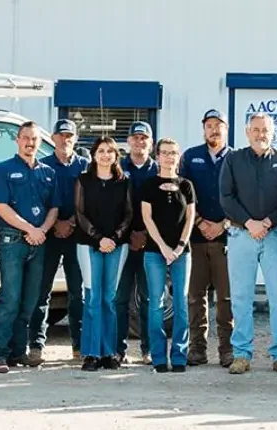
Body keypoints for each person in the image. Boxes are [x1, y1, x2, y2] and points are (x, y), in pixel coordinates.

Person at [220, 112, 277, 375]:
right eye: (255, 129)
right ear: (247, 132)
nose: (260, 134)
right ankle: (241, 354)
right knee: (241, 297)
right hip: (241, 235)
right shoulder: (233, 159)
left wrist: (268, 221)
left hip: (273, 235)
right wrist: (249, 222)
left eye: (265, 129)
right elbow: (226, 197)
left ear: (272, 132)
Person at [0, 121, 58, 373]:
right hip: (13, 240)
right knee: (10, 298)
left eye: (35, 139)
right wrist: (31, 229)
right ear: (17, 140)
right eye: (26, 138)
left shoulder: (48, 172)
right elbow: (1, 207)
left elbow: (54, 208)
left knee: (30, 299)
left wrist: (42, 231)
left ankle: (19, 352)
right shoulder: (4, 170)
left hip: (39, 241)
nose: (30, 142)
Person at [31, 119, 89, 362]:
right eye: (61, 135)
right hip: (49, 235)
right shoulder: (42, 166)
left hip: (78, 235)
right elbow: (37, 201)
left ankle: (79, 345)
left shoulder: (86, 166)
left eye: (69, 136)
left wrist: (72, 223)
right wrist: (55, 224)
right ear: (52, 138)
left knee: (77, 293)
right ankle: (35, 345)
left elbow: (91, 200)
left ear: (74, 139)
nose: (65, 140)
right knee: (41, 291)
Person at [73, 137, 133, 371]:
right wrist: (99, 238)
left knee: (110, 299)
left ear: (116, 155)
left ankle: (109, 352)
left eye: (110, 151)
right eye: (101, 150)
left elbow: (129, 214)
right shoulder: (84, 180)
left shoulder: (124, 181)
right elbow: (79, 213)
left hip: (117, 246)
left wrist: (114, 239)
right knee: (92, 298)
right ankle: (91, 353)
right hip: (89, 245)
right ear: (93, 154)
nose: (105, 155)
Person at [180, 109, 235, 367]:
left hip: (227, 237)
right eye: (209, 125)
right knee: (195, 296)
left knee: (226, 297)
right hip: (197, 237)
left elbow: (241, 197)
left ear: (226, 128)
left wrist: (223, 224)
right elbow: (182, 195)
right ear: (204, 128)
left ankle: (226, 349)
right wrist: (201, 222)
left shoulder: (236, 158)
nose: (214, 129)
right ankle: (197, 349)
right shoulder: (190, 157)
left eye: (218, 125)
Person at [140, 138, 197, 374]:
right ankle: (158, 357)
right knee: (156, 303)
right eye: (165, 153)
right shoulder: (149, 185)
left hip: (182, 252)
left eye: (173, 153)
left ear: (178, 156)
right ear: (157, 156)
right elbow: (147, 218)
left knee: (182, 303)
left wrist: (180, 246)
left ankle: (179, 355)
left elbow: (190, 217)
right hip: (155, 251)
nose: (169, 157)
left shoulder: (186, 185)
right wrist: (163, 247)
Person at [117, 121, 159, 365]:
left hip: (150, 244)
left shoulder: (159, 170)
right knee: (120, 298)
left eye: (144, 138)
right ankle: (119, 350)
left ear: (150, 143)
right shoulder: (118, 168)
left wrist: (145, 234)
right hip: (123, 242)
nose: (140, 142)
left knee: (149, 299)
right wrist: (129, 234)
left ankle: (149, 349)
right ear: (129, 142)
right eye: (136, 138)